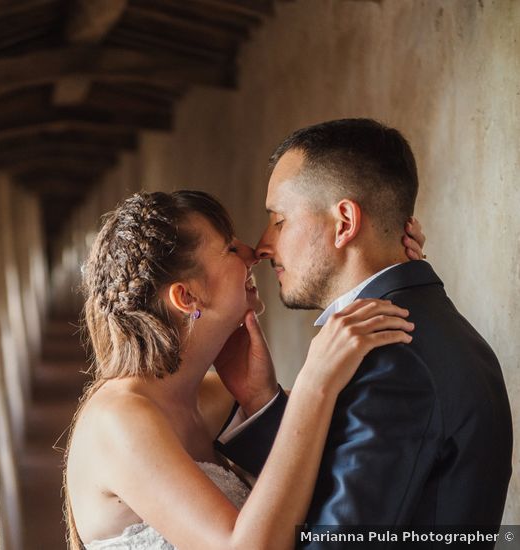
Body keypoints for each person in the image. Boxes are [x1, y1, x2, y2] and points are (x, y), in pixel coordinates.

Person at [64, 190, 424, 549]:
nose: (252, 253)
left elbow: (334, 471)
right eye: (231, 249)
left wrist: (261, 399)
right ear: (186, 298)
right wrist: (314, 382)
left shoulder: (216, 395)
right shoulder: (119, 419)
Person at [218, 119, 512, 545]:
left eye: (279, 221)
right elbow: (332, 487)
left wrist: (310, 388)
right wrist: (261, 402)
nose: (262, 245)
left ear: (344, 223)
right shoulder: (414, 327)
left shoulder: (393, 357)